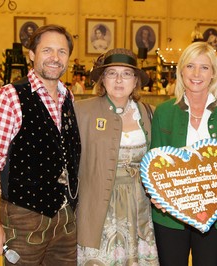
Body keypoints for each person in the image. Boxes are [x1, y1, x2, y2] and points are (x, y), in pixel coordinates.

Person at [0, 24, 81, 265]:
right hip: (24, 218)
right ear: (32, 55)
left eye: (62, 52)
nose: (55, 58)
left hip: (65, 217)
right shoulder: (9, 96)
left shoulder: (69, 98)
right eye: (47, 50)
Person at [150, 41, 217, 266]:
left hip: (215, 215)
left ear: (213, 73)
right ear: (181, 71)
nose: (196, 73)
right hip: (170, 216)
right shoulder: (164, 112)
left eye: (204, 67)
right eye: (190, 66)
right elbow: (155, 160)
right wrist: (157, 192)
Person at [75, 48, 159, 265]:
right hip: (99, 208)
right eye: (112, 73)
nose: (119, 80)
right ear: (102, 79)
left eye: (127, 73)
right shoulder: (82, 111)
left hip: (140, 206)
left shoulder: (149, 112)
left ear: (136, 81)